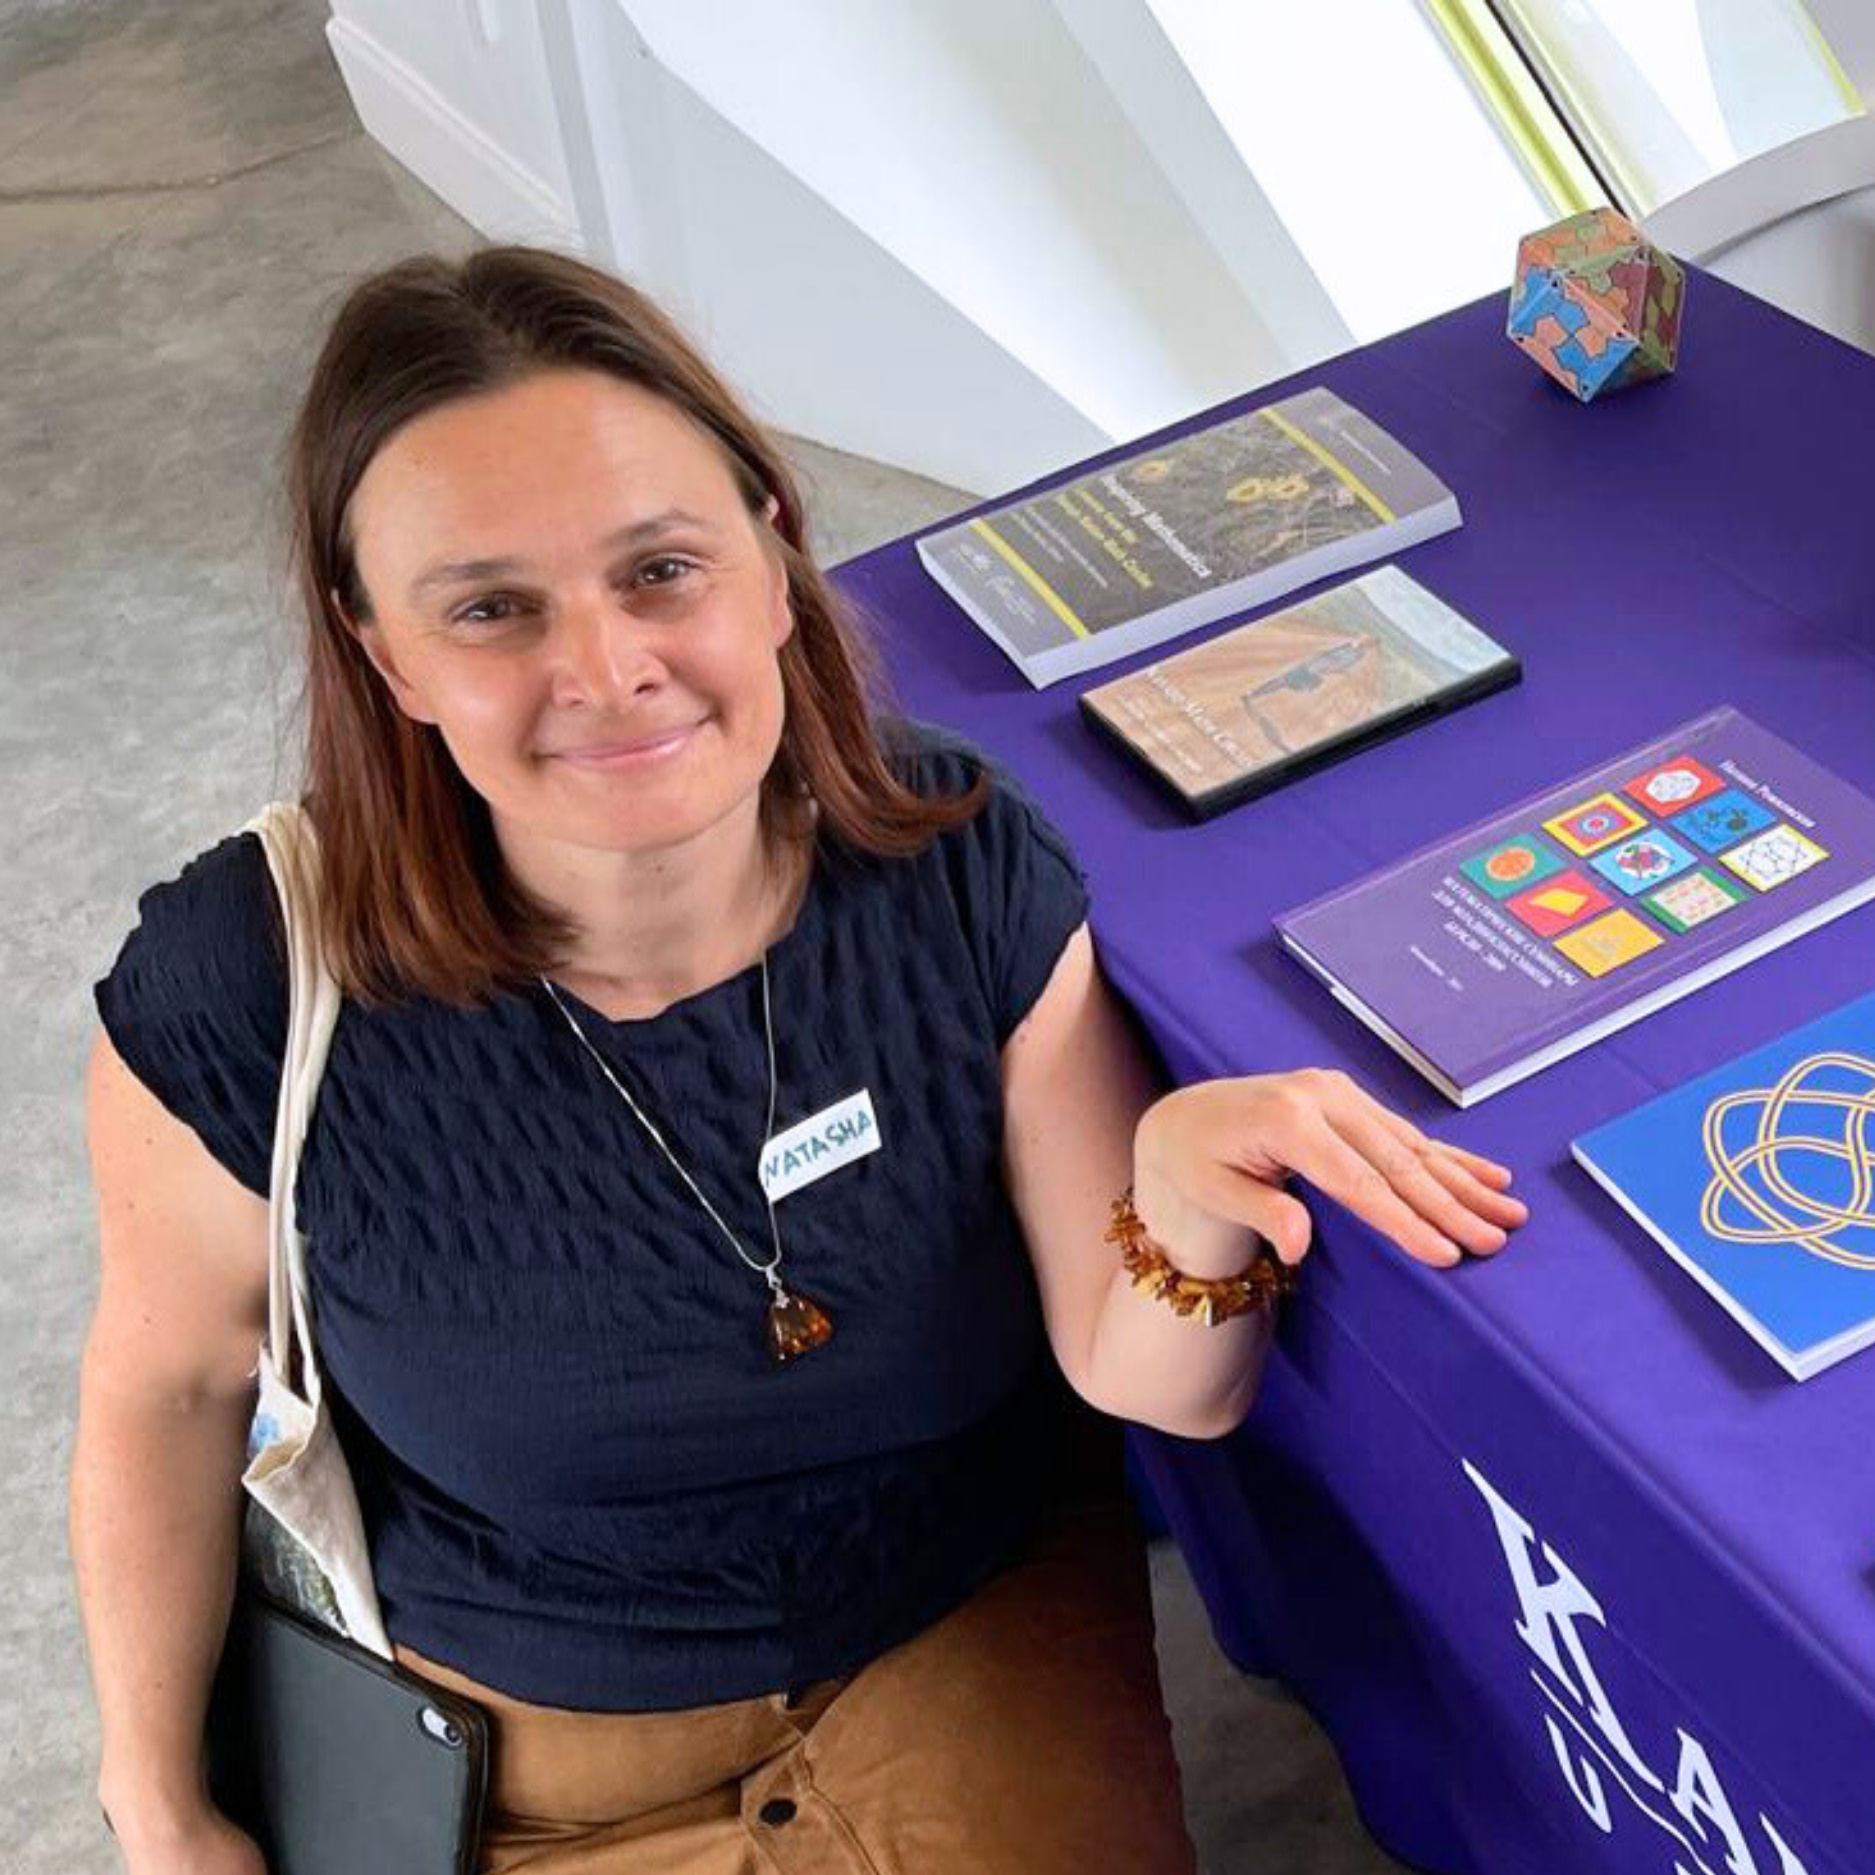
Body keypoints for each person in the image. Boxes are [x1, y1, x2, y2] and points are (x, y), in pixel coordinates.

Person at [71, 247, 1526, 1875]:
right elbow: (168, 1386)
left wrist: (1184, 1194)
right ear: (385, 657)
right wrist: (163, 1807)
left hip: (948, 1622)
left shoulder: (953, 867)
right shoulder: (247, 986)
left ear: (774, 561)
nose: (607, 670)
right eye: (492, 609)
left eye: (661, 570)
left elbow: (1151, 1379)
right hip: (509, 1729)